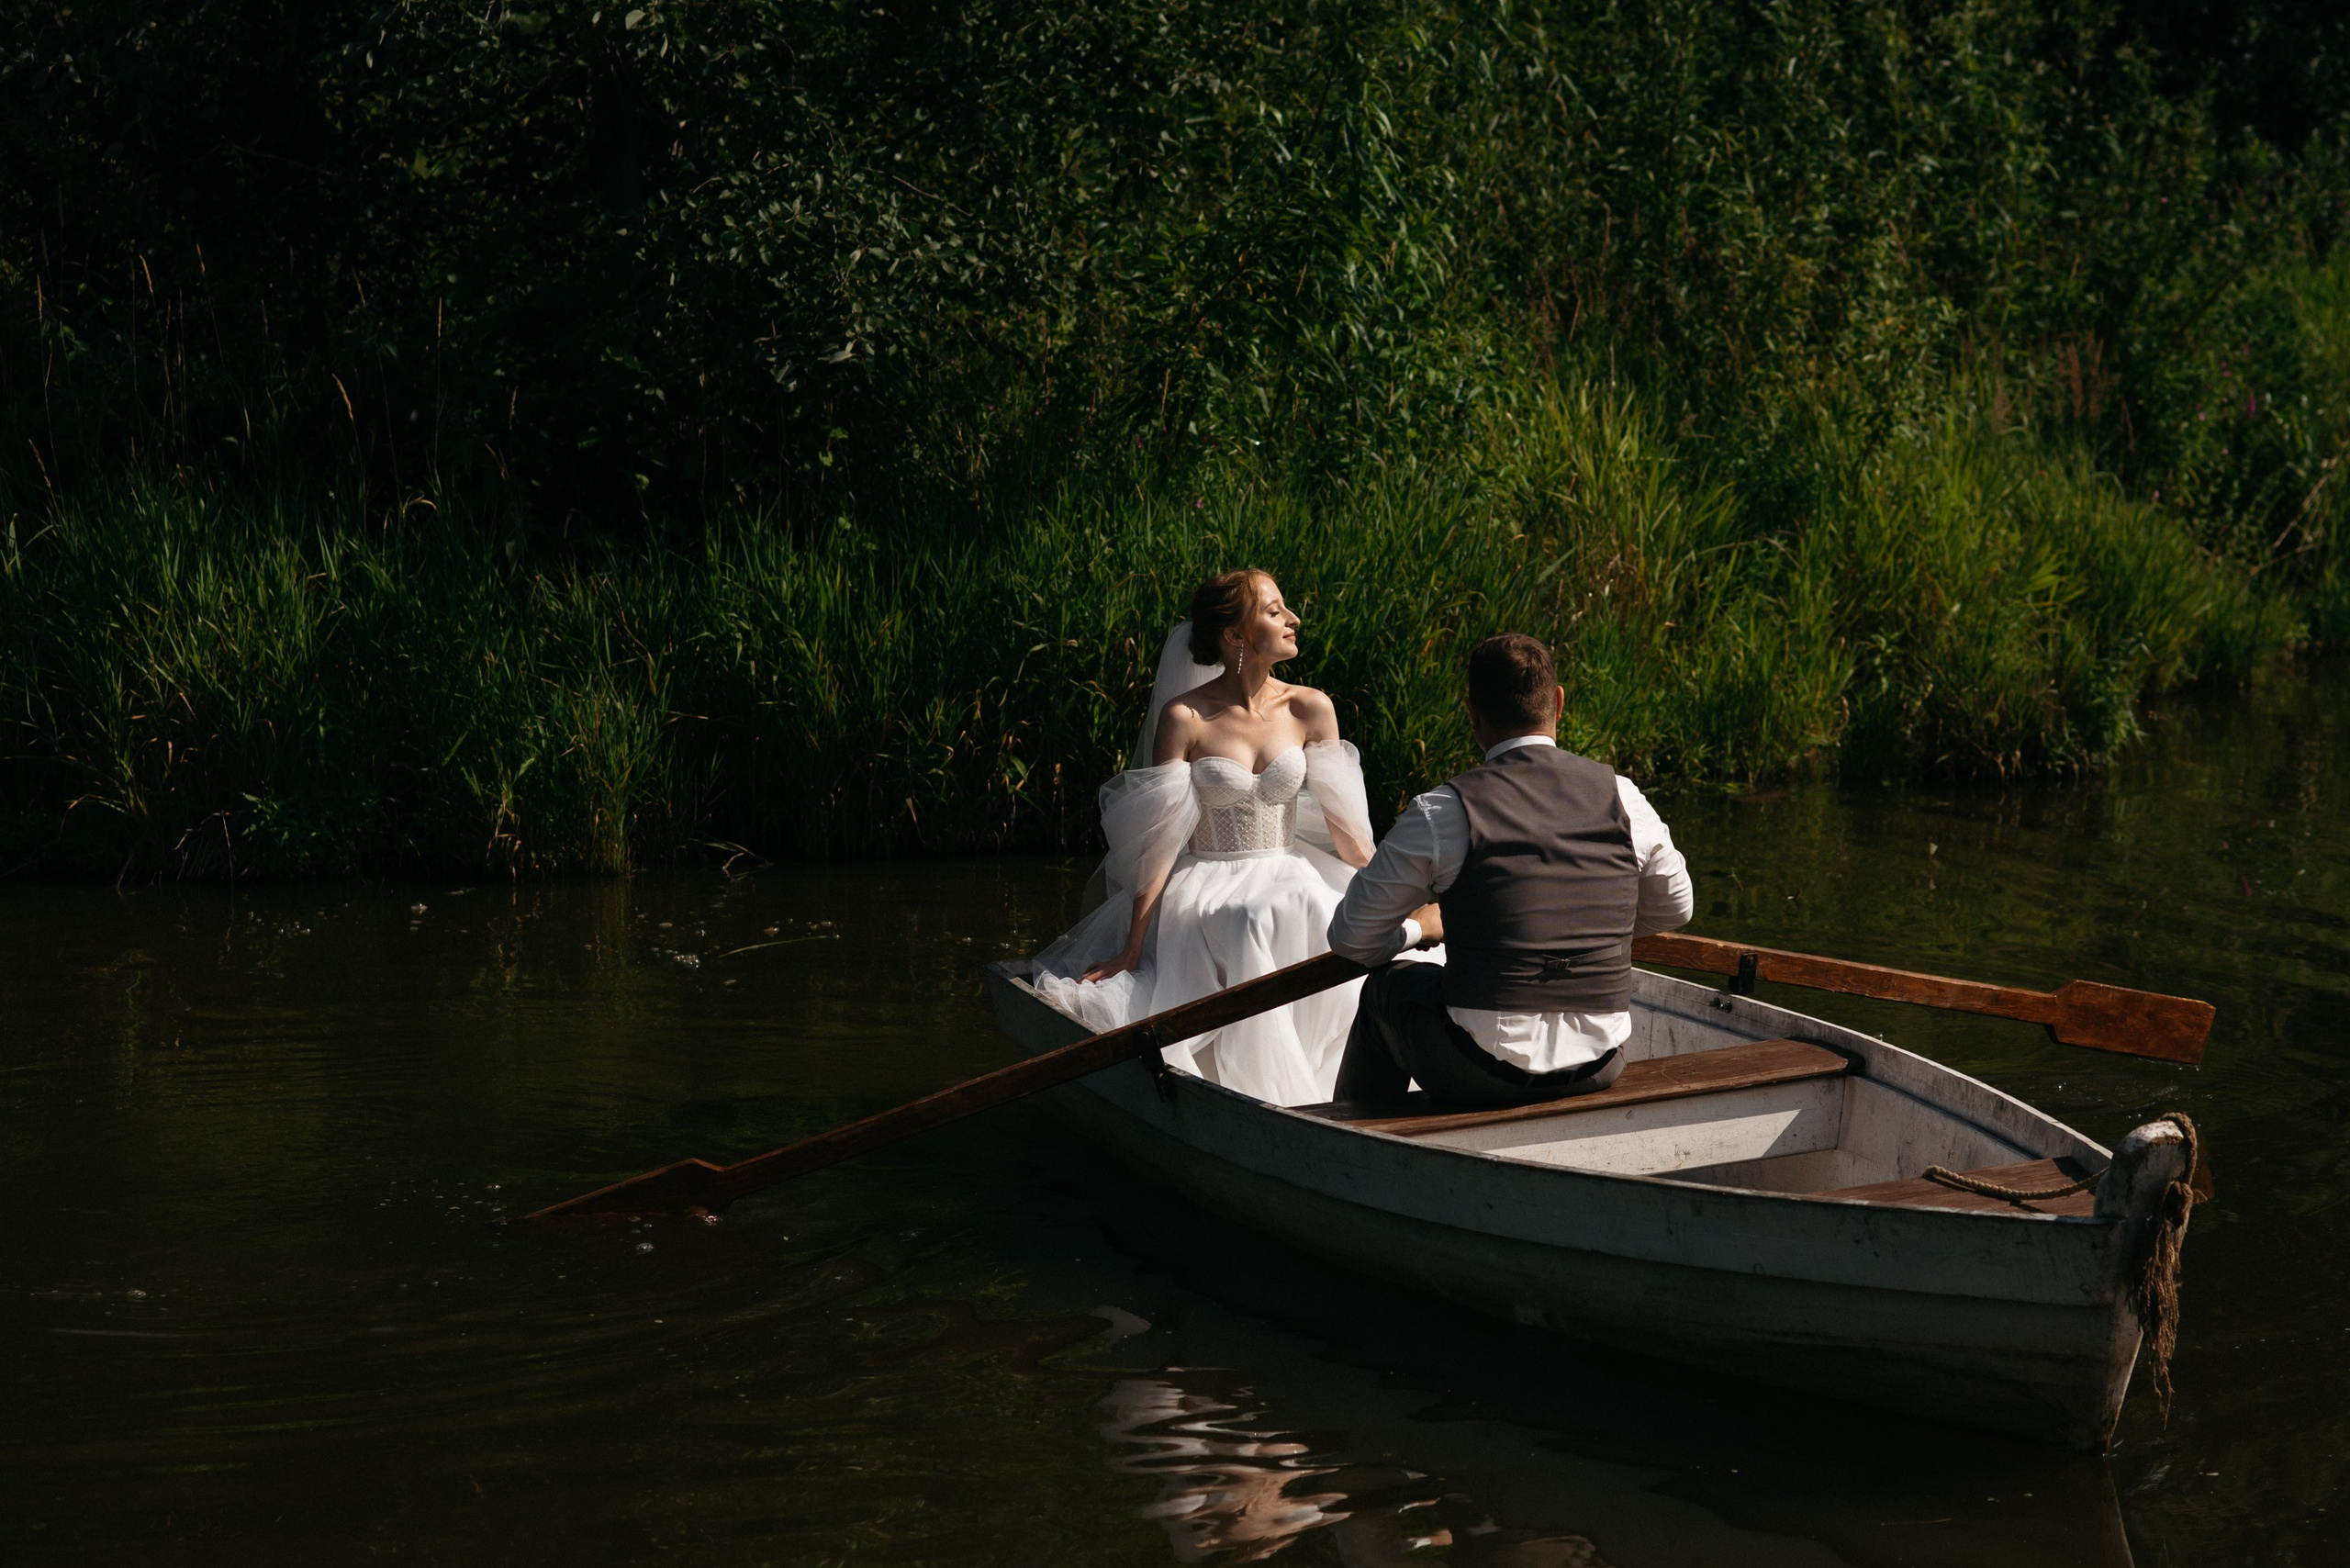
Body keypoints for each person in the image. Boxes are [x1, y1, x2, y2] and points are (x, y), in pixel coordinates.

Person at [1031, 569, 1375, 1106]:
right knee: (1245, 920)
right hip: (1210, 880)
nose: (1293, 619)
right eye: (1274, 610)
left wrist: (1395, 894)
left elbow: (1350, 838)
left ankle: (1327, 1079)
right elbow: (1161, 838)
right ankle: (1264, 1096)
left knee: (1310, 902)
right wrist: (1132, 946)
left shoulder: (1311, 708)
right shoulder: (1185, 717)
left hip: (1289, 866)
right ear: (1234, 636)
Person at [1326, 633, 1693, 1108]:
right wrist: (1603, 929)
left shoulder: (1441, 811)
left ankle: (1356, 1148)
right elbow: (1676, 908)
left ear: (1472, 714)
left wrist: (1420, 930)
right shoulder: (1623, 796)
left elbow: (1352, 940)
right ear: (1558, 703)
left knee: (1386, 989)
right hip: (1603, 1064)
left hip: (1480, 1071)